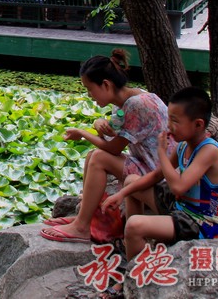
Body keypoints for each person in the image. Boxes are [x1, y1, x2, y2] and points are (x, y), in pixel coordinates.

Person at [40, 49, 170, 243]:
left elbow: (113, 149)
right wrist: (98, 126)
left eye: (90, 89)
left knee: (99, 158)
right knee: (93, 155)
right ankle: (83, 217)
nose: (89, 95)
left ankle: (81, 227)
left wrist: (83, 133)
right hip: (148, 166)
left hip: (161, 176)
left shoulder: (137, 104)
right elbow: (111, 141)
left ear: (106, 84)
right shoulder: (125, 103)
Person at [101, 87, 218, 261]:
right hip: (181, 206)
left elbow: (178, 187)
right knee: (131, 181)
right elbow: (156, 176)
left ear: (198, 124)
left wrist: (161, 152)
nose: (169, 126)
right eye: (169, 118)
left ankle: (137, 270)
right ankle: (136, 245)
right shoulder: (183, 146)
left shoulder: (209, 151)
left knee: (134, 226)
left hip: (200, 222)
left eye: (175, 121)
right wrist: (121, 193)